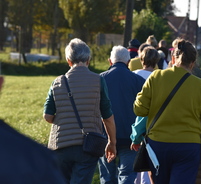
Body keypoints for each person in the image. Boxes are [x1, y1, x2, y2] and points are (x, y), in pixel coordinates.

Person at [134, 38, 201, 184]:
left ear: (173, 58)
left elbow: (139, 109)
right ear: (192, 63)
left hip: (158, 145)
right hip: (188, 146)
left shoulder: (155, 77)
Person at [43, 38, 117, 184]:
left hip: (60, 146)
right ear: (88, 59)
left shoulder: (57, 82)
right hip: (88, 146)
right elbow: (107, 116)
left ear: (68, 60)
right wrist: (112, 142)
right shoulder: (98, 80)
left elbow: (47, 116)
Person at [0, 76, 65, 183]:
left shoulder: (58, 82)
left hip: (61, 142)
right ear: (1, 83)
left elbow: (47, 116)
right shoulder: (34, 159)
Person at [99, 45, 146, 184]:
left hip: (105, 136)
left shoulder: (100, 80)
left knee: (107, 177)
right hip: (130, 136)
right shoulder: (138, 81)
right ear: (128, 62)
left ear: (110, 61)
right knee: (127, 176)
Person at [131, 46, 161, 184]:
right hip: (154, 125)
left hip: (135, 121)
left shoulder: (133, 75)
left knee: (135, 164)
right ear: (156, 61)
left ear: (141, 59)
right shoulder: (160, 78)